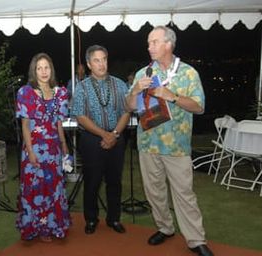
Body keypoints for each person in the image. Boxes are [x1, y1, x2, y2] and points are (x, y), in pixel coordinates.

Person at [125, 26, 214, 256]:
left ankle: (196, 240)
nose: (149, 47)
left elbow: (200, 106)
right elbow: (129, 107)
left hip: (177, 147)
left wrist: (172, 96)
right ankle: (165, 228)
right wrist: (134, 90)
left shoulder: (188, 73)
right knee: (154, 192)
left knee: (184, 193)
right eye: (148, 43)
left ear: (168, 44)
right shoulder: (143, 74)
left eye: (154, 42)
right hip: (147, 144)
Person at [71, 45, 130, 235]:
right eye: (96, 60)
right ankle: (91, 219)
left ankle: (114, 218)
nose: (101, 63)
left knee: (115, 181)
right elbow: (80, 116)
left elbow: (126, 112)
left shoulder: (120, 84)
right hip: (91, 140)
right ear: (89, 64)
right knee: (92, 181)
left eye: (104, 59)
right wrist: (103, 135)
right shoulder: (81, 87)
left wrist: (113, 134)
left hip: (117, 137)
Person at [15, 53, 71, 242]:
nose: (44, 71)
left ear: (51, 69)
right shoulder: (26, 92)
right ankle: (36, 228)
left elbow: (58, 123)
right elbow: (25, 125)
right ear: (34, 71)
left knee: (53, 188)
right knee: (35, 188)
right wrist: (30, 152)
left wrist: (64, 147)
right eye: (39, 68)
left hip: (53, 151)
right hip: (34, 149)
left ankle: (53, 225)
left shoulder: (60, 93)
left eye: (47, 67)